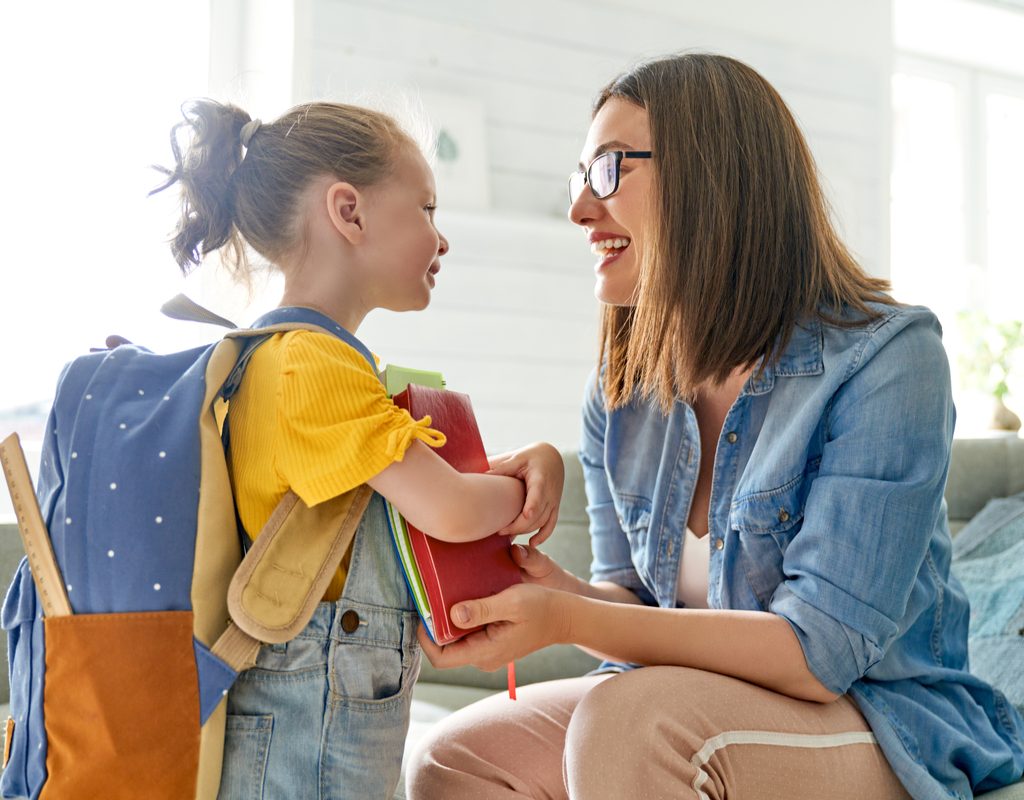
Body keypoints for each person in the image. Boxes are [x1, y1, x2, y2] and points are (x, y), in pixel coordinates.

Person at [406, 54, 1024, 800]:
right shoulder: (620, 392)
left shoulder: (887, 360)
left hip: (880, 717)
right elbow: (635, 602)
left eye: (608, 171)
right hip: (694, 700)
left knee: (629, 721)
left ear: (712, 177)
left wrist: (565, 617)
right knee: (453, 756)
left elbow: (817, 650)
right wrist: (544, 585)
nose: (579, 210)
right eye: (579, 177)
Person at [151, 99, 565, 800]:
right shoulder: (313, 367)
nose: (442, 238)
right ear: (349, 212)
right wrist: (533, 483)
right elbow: (452, 510)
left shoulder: (296, 363)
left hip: (318, 704)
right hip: (305, 716)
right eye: (428, 209)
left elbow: (410, 492)